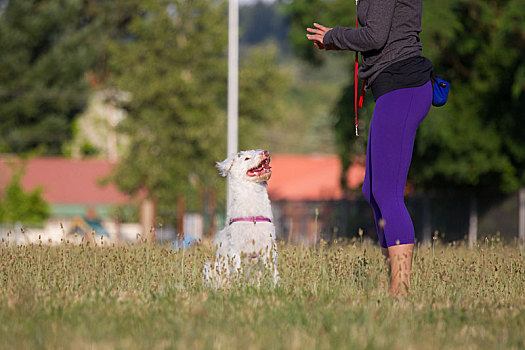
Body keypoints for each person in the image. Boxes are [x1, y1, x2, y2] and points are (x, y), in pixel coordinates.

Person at [306, 0, 433, 296]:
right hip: (393, 89)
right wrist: (337, 41)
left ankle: (400, 291)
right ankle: (394, 281)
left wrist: (334, 36)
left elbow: (375, 36)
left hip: (403, 88)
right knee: (372, 189)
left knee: (387, 193)